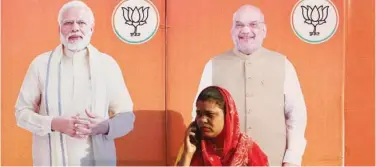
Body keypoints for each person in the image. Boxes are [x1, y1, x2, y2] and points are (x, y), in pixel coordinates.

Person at [14, 1, 135, 166]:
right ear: (59, 29)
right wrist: (54, 124)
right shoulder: (41, 64)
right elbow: (21, 113)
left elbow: (127, 117)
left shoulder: (107, 65)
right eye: (68, 23)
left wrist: (104, 126)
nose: (75, 28)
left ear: (92, 29)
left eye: (81, 23)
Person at [192, 4, 307, 166]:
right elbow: (198, 115)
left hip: (273, 160)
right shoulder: (214, 65)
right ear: (232, 31)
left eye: (253, 25)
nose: (246, 31)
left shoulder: (283, 64)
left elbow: (296, 115)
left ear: (264, 30)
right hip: (225, 162)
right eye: (239, 25)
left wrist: (292, 158)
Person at [176, 86, 269, 166]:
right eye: (199, 114)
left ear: (227, 116)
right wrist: (187, 155)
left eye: (210, 114)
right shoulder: (193, 148)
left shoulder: (246, 149)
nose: (202, 120)